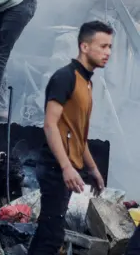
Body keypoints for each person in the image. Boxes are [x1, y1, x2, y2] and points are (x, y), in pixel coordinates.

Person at [28, 21, 113, 254]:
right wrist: (66, 167)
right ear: (84, 47)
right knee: (52, 235)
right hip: (54, 167)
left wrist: (93, 169)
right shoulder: (65, 77)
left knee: (48, 232)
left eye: (110, 47)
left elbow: (78, 135)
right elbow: (50, 124)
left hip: (65, 167)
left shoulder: (87, 83)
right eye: (103, 46)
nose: (108, 52)